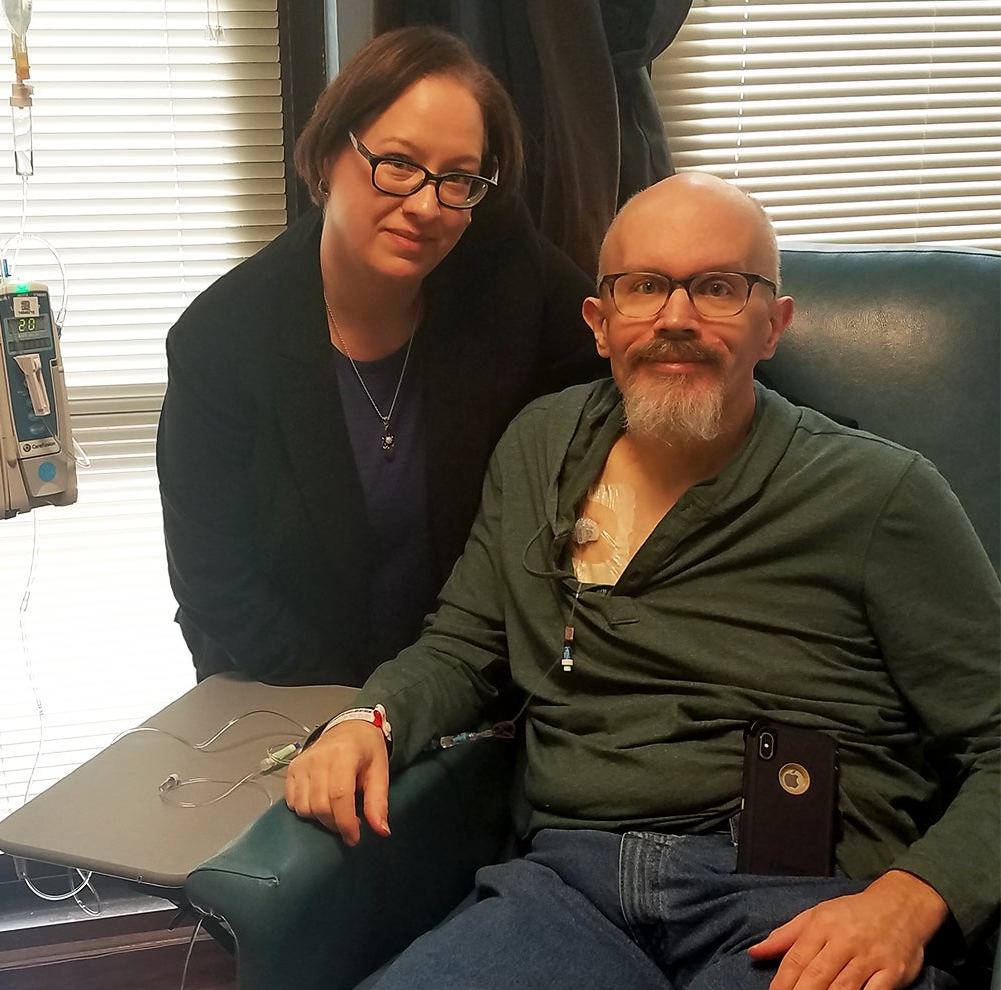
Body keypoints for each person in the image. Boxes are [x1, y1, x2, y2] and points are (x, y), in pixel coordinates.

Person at [285, 172, 1000, 989]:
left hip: (795, 904)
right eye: (644, 288)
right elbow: (463, 645)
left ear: (775, 325)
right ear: (600, 322)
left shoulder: (881, 495)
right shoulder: (541, 447)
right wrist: (366, 719)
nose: (676, 320)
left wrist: (910, 901)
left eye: (719, 289)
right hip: (566, 890)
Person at [157, 26, 604, 686]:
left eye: (458, 178)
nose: (426, 205)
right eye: (397, 163)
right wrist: (362, 718)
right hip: (291, 690)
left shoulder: (499, 264)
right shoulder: (221, 340)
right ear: (331, 152)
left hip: (468, 690)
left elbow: (611, 357)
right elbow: (218, 589)